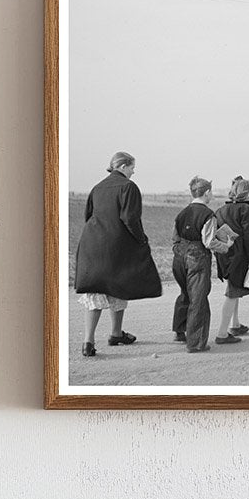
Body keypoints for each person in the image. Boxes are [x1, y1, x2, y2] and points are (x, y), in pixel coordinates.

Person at [74, 151, 161, 357]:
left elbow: (88, 215)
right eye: (131, 167)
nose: (133, 171)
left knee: (95, 290)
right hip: (116, 244)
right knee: (119, 285)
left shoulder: (97, 187)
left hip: (91, 244)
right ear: (122, 166)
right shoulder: (128, 187)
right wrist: (141, 239)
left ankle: (89, 341)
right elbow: (130, 218)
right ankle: (114, 333)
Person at [213, 177, 249, 344]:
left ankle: (235, 324)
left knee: (233, 289)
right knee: (233, 293)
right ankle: (222, 333)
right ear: (248, 193)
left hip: (226, 255)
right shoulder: (247, 210)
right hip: (240, 256)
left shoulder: (221, 210)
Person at [171, 176, 216, 353]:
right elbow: (209, 242)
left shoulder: (181, 213)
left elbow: (174, 237)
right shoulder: (208, 214)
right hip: (197, 256)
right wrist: (226, 245)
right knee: (198, 298)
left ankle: (180, 330)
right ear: (206, 193)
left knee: (185, 292)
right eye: (211, 191)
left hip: (179, 256)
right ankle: (196, 343)